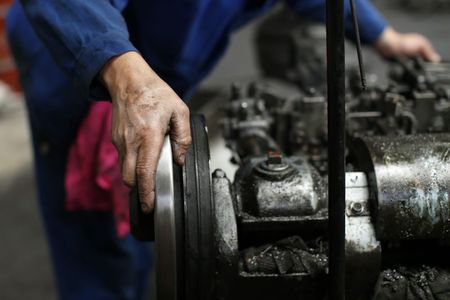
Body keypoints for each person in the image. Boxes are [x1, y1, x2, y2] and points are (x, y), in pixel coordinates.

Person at [6, 1, 440, 299]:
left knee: (148, 210)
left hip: (159, 67)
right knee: (98, 220)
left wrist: (383, 35)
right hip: (84, 54)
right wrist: (126, 77)